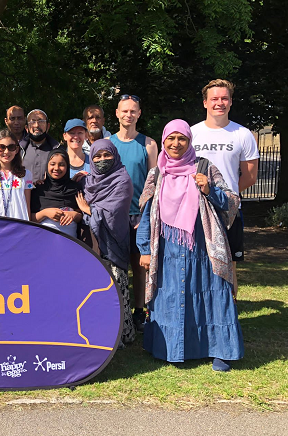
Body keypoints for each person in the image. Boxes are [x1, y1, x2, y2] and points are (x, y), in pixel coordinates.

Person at [137, 119, 243, 371]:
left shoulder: (205, 168)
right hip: (168, 249)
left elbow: (232, 202)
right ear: (163, 141)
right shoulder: (157, 173)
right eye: (171, 139)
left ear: (189, 141)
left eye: (181, 138)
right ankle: (171, 348)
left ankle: (220, 351)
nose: (176, 144)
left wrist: (209, 190)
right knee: (171, 294)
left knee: (212, 294)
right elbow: (146, 212)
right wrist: (145, 250)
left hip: (203, 247)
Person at [191, 79, 259, 294]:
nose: (219, 103)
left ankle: (229, 315)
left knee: (229, 265)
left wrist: (224, 197)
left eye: (224, 98)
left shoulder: (243, 134)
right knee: (197, 262)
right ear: (205, 103)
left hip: (227, 211)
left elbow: (249, 177)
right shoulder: (191, 133)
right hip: (194, 209)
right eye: (214, 99)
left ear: (230, 102)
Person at [75, 139, 136, 346]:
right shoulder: (89, 181)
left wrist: (88, 211)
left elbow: (114, 213)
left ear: (115, 155)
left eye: (107, 155)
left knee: (117, 289)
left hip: (113, 243)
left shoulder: (122, 180)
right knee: (97, 291)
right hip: (93, 244)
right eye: (97, 156)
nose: (102, 160)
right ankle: (102, 333)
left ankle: (123, 334)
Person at [110, 94, 158, 333]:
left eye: (133, 111)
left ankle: (139, 312)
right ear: (117, 113)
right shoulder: (108, 143)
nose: (129, 115)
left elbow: (154, 183)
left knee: (140, 267)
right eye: (124, 111)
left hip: (139, 215)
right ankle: (118, 311)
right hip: (115, 216)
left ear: (139, 114)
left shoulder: (148, 144)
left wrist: (147, 215)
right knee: (116, 268)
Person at [31, 148, 83, 238]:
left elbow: (82, 214)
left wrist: (74, 215)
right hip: (43, 241)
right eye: (52, 164)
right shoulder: (39, 189)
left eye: (62, 164)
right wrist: (45, 213)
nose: (56, 168)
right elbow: (30, 218)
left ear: (68, 166)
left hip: (70, 243)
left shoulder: (75, 188)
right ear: (47, 165)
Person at [20, 109, 61, 182]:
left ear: (48, 126)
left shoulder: (57, 150)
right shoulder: (19, 150)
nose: (36, 125)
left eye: (41, 121)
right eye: (32, 121)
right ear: (26, 128)